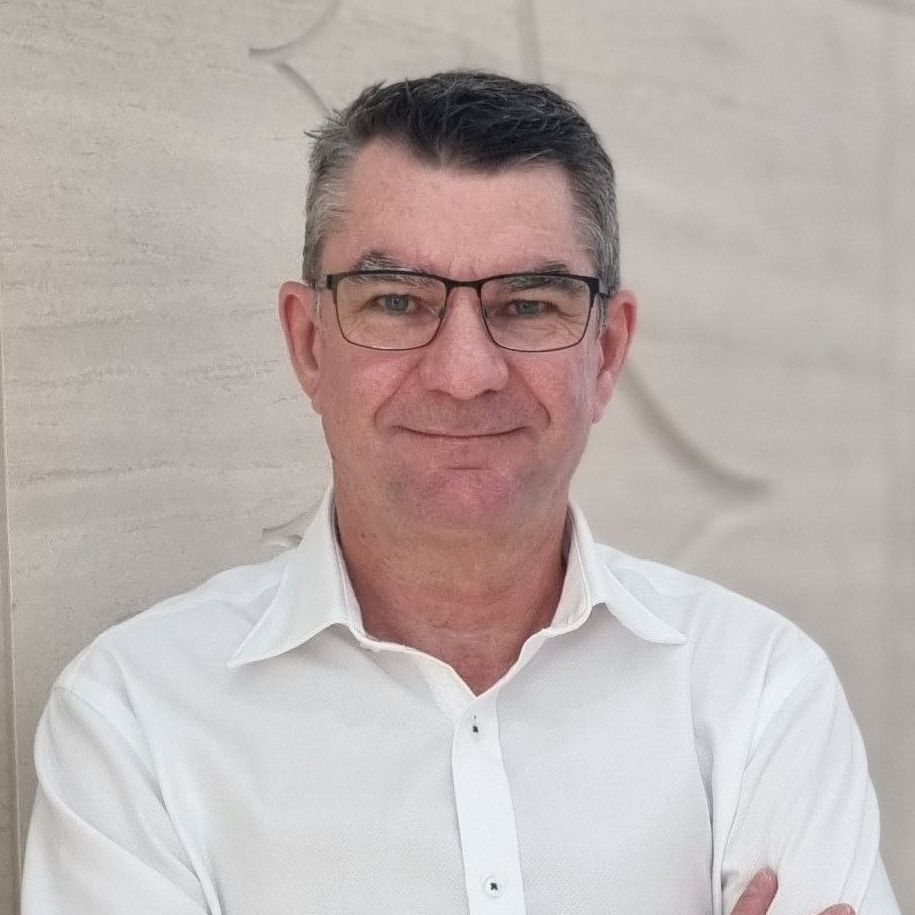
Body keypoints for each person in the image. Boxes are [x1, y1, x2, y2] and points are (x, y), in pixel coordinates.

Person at [21, 71, 900, 915]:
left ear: (605, 351)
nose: (465, 373)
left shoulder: (758, 690)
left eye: (528, 305)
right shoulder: (136, 716)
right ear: (309, 343)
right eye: (397, 301)